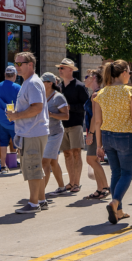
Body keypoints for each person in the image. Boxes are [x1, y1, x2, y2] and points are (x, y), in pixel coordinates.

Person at [92, 60, 132, 224]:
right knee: (128, 173)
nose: (129, 75)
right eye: (129, 72)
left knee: (116, 173)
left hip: (107, 137)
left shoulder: (101, 93)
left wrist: (99, 145)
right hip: (125, 136)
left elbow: (97, 122)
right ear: (123, 73)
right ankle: (115, 202)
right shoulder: (130, 92)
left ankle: (119, 211)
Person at [7, 53, 50, 214]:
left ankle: (33, 204)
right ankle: (41, 200)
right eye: (15, 64)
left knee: (32, 168)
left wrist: (16, 115)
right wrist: (16, 114)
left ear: (30, 64)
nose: (17, 67)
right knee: (35, 166)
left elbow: (37, 107)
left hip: (33, 132)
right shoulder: (29, 82)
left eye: (20, 64)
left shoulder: (32, 83)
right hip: (32, 132)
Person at [56, 58, 89, 194]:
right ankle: (71, 182)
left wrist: (70, 107)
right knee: (67, 154)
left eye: (62, 68)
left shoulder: (80, 86)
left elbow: (86, 105)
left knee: (76, 153)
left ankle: (77, 183)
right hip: (62, 125)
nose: (60, 70)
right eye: (59, 68)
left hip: (75, 124)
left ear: (70, 70)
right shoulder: (59, 87)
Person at [41, 72, 72, 195]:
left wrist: (52, 114)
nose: (40, 83)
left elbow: (66, 116)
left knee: (45, 162)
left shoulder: (58, 97)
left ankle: (39, 194)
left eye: (43, 81)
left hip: (55, 134)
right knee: (53, 162)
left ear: (50, 83)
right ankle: (62, 187)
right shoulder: (41, 95)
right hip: (44, 133)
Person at [81, 69, 110, 200]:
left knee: (91, 159)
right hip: (98, 130)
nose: (84, 79)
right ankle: (100, 189)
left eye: (87, 76)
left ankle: (105, 187)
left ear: (94, 78)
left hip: (96, 130)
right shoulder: (96, 93)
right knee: (94, 160)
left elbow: (94, 118)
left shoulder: (96, 94)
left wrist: (91, 133)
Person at [0, 65, 22, 171]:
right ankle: (22, 167)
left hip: (1, 121)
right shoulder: (18, 88)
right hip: (15, 120)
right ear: (15, 75)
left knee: (3, 143)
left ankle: (3, 166)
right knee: (19, 144)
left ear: (5, 75)